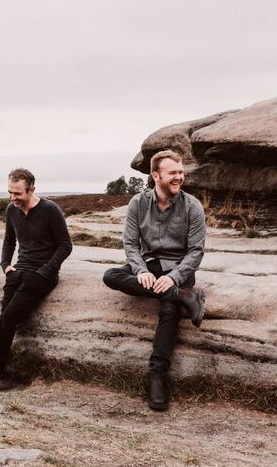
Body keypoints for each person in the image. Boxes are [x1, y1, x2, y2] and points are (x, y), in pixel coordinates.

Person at [102, 149, 207, 411]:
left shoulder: (192, 206)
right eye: (173, 173)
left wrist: (173, 279)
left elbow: (196, 251)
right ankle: (186, 298)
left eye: (181, 172)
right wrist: (141, 271)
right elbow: (130, 243)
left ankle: (157, 376)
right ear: (156, 175)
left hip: (179, 269)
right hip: (149, 266)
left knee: (169, 311)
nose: (179, 177)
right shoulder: (138, 203)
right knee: (111, 275)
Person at [0, 168, 72, 391]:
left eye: (18, 193)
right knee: (6, 319)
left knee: (8, 318)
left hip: (42, 275)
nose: (12, 198)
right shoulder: (12, 210)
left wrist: (46, 271)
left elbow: (65, 246)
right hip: (18, 271)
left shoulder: (50, 210)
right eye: (10, 192)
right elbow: (9, 240)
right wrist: (5, 264)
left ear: (31, 190)